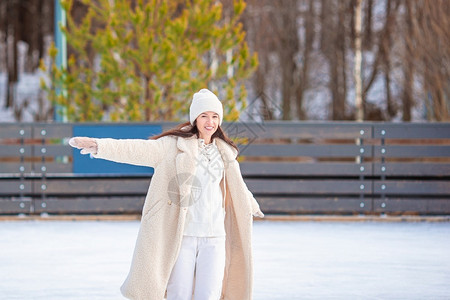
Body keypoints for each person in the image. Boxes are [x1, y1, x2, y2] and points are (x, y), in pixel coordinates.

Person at [69, 88, 264, 300]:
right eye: (204, 116)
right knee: (178, 293)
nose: (210, 122)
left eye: (215, 116)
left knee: (209, 295)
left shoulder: (225, 151)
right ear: (195, 119)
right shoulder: (172, 147)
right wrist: (99, 146)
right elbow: (136, 149)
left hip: (215, 236)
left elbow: (237, 185)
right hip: (184, 235)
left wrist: (251, 205)